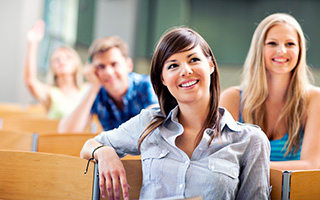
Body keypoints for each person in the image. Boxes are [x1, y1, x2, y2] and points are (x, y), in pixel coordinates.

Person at [80, 27, 270, 200]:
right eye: (173, 65)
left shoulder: (250, 140)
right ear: (163, 78)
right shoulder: (148, 123)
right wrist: (103, 151)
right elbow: (90, 145)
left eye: (194, 59)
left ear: (211, 65)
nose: (186, 71)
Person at [220, 13, 320, 170]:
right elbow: (223, 162)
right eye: (272, 43)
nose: (281, 51)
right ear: (259, 49)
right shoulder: (231, 98)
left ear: (300, 50)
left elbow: (312, 166)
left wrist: (251, 168)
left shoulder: (315, 99)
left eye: (290, 44)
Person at [58, 36, 158, 132]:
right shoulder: (96, 92)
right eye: (101, 66)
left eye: (114, 64)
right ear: (93, 70)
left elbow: (153, 124)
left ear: (128, 65)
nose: (108, 72)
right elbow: (66, 131)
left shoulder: (146, 85)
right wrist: (93, 88)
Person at [25, 19, 87, 119]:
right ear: (52, 68)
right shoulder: (50, 93)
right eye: (56, 60)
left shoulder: (87, 90)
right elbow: (30, 82)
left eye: (68, 58)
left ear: (76, 64)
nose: (62, 61)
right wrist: (32, 43)